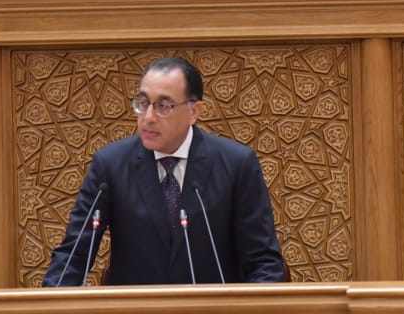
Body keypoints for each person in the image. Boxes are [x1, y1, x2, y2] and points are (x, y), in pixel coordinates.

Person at [42, 57, 285, 285]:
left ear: (194, 111)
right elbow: (74, 254)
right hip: (134, 309)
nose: (148, 117)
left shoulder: (236, 165)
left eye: (164, 106)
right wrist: (51, 304)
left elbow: (263, 261)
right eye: (143, 103)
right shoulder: (111, 165)